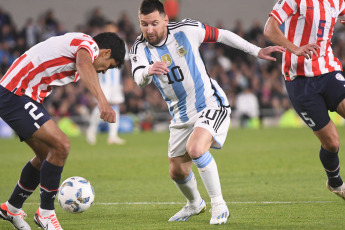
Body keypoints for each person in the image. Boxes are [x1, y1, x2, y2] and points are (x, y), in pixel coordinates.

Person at [130, 0, 285, 225]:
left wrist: (256, 50)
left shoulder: (186, 30)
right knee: (177, 171)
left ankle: (218, 203)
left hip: (209, 104)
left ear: (165, 19)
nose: (149, 30)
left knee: (195, 149)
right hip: (180, 115)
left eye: (154, 23)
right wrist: (147, 72)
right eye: (144, 24)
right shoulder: (139, 48)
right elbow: (137, 77)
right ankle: (195, 204)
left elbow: (222, 35)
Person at [0, 32, 125, 230]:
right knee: (61, 145)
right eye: (108, 66)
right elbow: (85, 65)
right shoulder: (89, 45)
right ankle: (46, 214)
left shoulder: (79, 48)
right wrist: (102, 101)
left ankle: (12, 208)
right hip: (18, 92)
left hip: (24, 94)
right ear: (105, 52)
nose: (103, 71)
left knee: (46, 157)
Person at [264, 0, 345, 199]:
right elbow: (270, 28)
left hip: (328, 71)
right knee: (332, 143)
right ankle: (334, 182)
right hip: (299, 80)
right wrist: (294, 48)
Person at [87, 22, 129, 145]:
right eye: (109, 27)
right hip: (103, 80)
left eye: (114, 27)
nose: (112, 29)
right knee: (101, 105)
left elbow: (125, 63)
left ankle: (113, 136)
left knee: (115, 105)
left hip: (116, 82)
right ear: (105, 29)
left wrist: (128, 79)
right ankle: (91, 129)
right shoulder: (100, 43)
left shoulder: (121, 43)